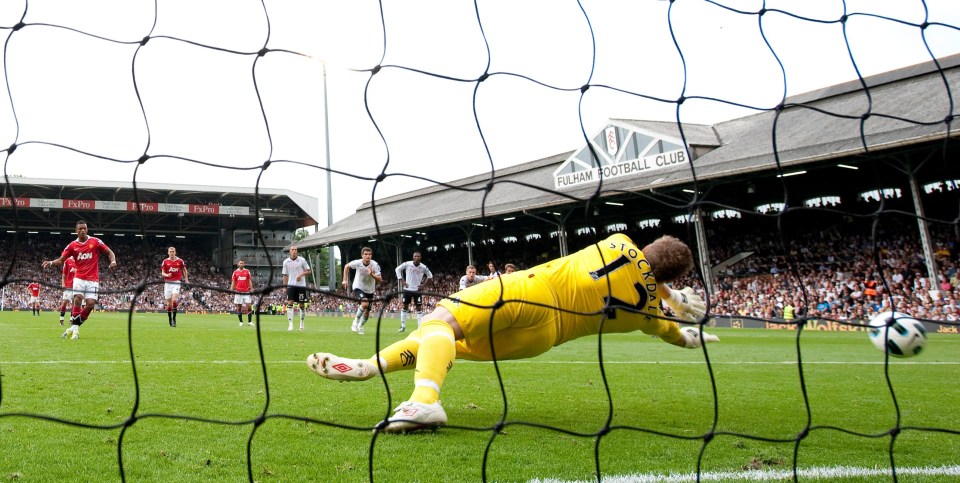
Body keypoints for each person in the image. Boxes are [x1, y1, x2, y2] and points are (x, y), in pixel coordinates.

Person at [308, 233, 717, 433]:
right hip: (544, 338)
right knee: (449, 342)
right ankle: (368, 367)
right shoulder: (650, 315)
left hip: (531, 290)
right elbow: (671, 329)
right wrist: (680, 318)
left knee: (437, 321)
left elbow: (640, 262)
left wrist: (671, 292)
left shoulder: (621, 244)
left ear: (650, 248)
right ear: (671, 277)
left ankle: (424, 400)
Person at [41, 220, 117, 339]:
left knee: (91, 304)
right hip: (79, 278)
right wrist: (50, 262)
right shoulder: (72, 245)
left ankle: (73, 328)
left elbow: (109, 251)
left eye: (84, 228)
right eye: (80, 228)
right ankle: (75, 331)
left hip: (93, 280)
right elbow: (61, 260)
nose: (82, 230)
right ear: (76, 231)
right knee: (77, 299)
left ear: (87, 230)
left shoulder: (95, 241)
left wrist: (113, 261)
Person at [342, 246, 382, 335]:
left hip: (370, 290)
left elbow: (380, 280)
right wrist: (344, 279)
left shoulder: (375, 265)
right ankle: (355, 321)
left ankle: (360, 326)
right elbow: (346, 266)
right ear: (362, 255)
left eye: (369, 254)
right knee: (365, 303)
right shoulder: (357, 263)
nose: (368, 256)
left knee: (367, 312)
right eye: (366, 254)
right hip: (358, 287)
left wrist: (372, 274)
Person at [395, 251, 433, 333]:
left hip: (417, 290)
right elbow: (397, 269)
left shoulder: (423, 267)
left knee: (419, 308)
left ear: (420, 257)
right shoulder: (407, 264)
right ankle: (403, 326)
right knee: (405, 307)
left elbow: (430, 276)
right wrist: (402, 281)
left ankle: (420, 328)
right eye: (415, 256)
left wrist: (423, 285)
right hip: (407, 289)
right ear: (413, 257)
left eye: (418, 256)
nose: (416, 257)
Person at [282, 245, 312, 331]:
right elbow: (285, 275)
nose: (294, 251)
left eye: (295, 249)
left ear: (297, 251)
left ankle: (302, 322)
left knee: (301, 305)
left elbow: (309, 271)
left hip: (301, 285)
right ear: (290, 251)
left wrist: (301, 274)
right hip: (291, 285)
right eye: (292, 250)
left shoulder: (302, 260)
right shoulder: (286, 262)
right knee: (290, 303)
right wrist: (285, 286)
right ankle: (290, 324)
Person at [161, 246, 188, 327]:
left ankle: (174, 319)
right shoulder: (165, 262)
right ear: (168, 253)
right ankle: (170, 319)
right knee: (169, 304)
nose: (172, 253)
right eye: (170, 251)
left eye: (173, 251)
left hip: (176, 282)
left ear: (175, 252)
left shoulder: (180, 261)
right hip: (167, 283)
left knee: (174, 300)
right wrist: (167, 274)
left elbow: (184, 270)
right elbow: (162, 273)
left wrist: (186, 279)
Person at [230, 259, 255, 326]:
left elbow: (249, 280)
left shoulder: (247, 271)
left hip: (246, 291)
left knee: (249, 305)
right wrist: (231, 289)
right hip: (238, 291)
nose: (241, 264)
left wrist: (252, 288)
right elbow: (233, 281)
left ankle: (249, 322)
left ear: (244, 264)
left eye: (242, 263)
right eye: (240, 263)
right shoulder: (235, 272)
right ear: (238, 264)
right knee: (239, 307)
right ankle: (241, 322)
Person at [58, 256, 77, 325]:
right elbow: (64, 273)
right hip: (68, 285)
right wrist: (63, 283)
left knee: (74, 303)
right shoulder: (67, 261)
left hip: (77, 286)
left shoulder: (80, 260)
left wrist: (77, 271)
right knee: (65, 302)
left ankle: (71, 320)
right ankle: (61, 319)